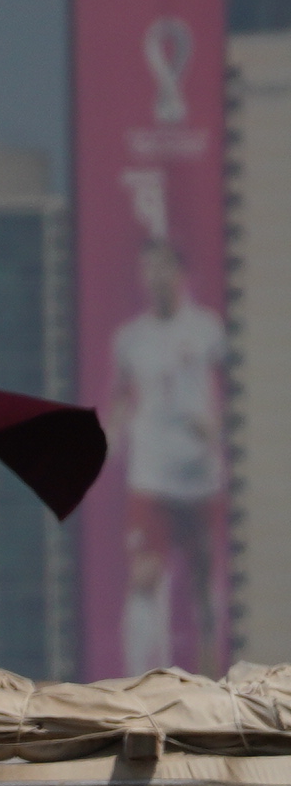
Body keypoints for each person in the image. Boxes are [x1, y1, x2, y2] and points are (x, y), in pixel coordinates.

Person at [105, 234, 231, 675]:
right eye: (148, 268)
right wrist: (110, 433)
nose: (155, 277)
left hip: (200, 477)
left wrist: (216, 428)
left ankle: (213, 679)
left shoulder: (208, 330)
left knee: (202, 584)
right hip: (151, 477)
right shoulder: (130, 338)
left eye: (164, 268)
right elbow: (122, 396)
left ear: (181, 274)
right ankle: (141, 679)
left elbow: (231, 389)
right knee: (144, 578)